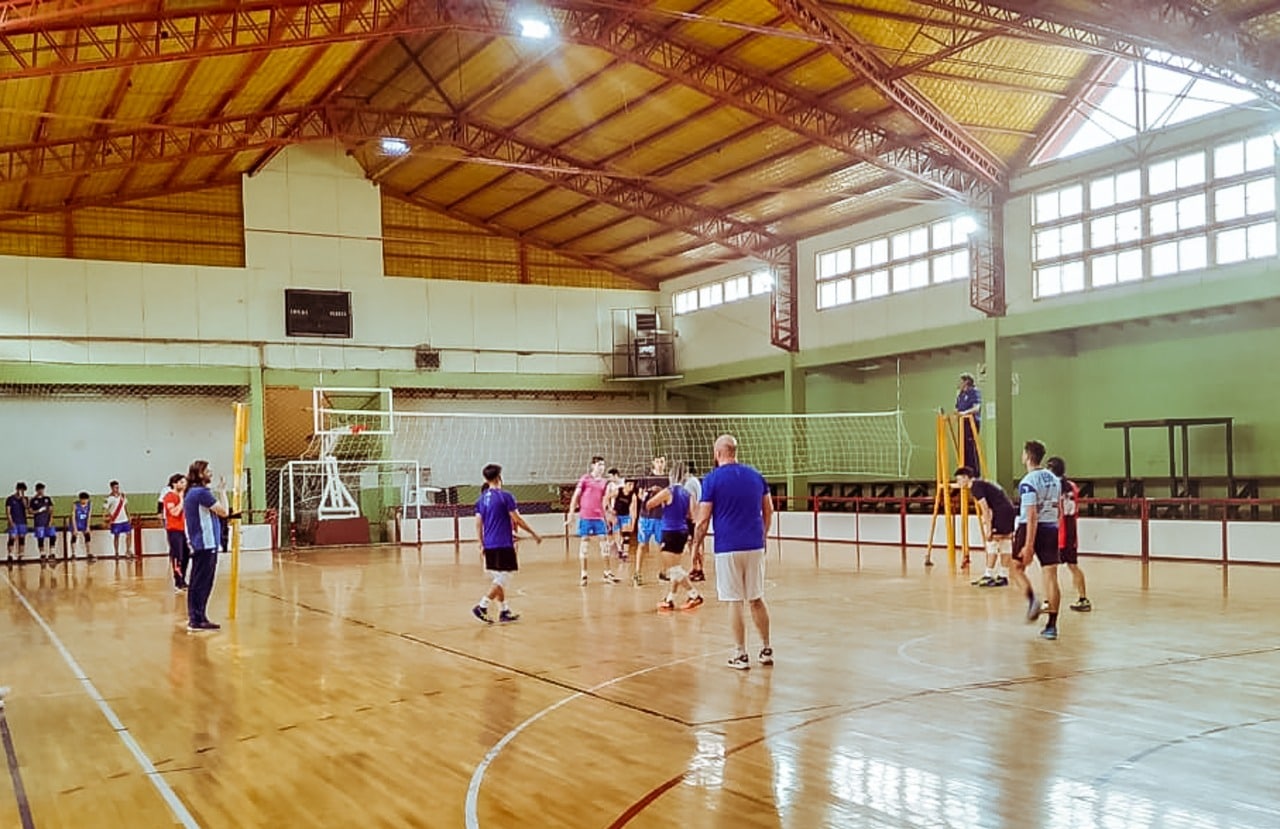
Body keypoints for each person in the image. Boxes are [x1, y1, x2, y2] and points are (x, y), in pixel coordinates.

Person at [693, 435, 773, 669]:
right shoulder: (756, 476)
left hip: (727, 548)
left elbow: (703, 519)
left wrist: (695, 547)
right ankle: (766, 648)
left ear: (718, 453)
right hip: (754, 545)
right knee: (756, 598)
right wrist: (764, 535)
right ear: (734, 451)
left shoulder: (712, 479)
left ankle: (740, 654)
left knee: (734, 601)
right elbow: (768, 510)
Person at [472, 463, 542, 624]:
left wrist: (480, 543)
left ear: (485, 479)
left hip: (489, 544)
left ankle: (504, 611)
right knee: (504, 576)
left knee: (498, 578)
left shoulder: (481, 500)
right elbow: (516, 519)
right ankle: (482, 606)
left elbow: (478, 523)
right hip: (503, 544)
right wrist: (533, 533)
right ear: (499, 478)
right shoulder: (505, 496)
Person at [1012, 440, 1062, 640]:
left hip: (1030, 528)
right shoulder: (1054, 479)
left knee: (1015, 568)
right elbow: (1057, 507)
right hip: (1051, 527)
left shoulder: (1028, 481)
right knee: (1050, 576)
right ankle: (1052, 626)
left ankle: (1032, 600)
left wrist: (1029, 544)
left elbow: (1031, 514)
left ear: (1027, 456)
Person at [645, 463, 703, 612]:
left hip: (670, 531)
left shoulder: (668, 491)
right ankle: (669, 599)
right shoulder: (687, 493)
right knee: (675, 568)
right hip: (682, 531)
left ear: (671, 475)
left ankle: (694, 594)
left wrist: (656, 496)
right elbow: (692, 515)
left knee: (674, 569)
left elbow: (649, 505)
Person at [183, 461, 229, 632]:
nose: (210, 473)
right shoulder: (201, 493)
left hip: (200, 543)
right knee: (203, 582)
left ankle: (197, 617)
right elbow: (224, 511)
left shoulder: (191, 493)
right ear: (200, 474)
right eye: (207, 470)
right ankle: (197, 619)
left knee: (197, 582)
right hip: (206, 543)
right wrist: (223, 491)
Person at [953, 467, 1016, 587]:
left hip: (1001, 512)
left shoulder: (975, 487)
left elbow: (985, 508)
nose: (958, 483)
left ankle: (989, 575)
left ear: (966, 477)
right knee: (1005, 542)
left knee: (992, 541)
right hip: (1009, 509)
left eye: (959, 479)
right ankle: (1003, 575)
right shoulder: (982, 483)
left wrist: (988, 528)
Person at [1047, 456, 1090, 612]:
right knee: (1073, 566)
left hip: (1057, 533)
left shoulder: (1052, 486)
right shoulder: (1072, 486)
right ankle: (1083, 598)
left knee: (1050, 570)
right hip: (1071, 533)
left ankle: (1049, 600)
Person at [566, 456, 617, 585]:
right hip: (585, 516)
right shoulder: (585, 478)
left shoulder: (604, 482)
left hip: (599, 517)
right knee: (584, 543)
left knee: (604, 543)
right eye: (599, 465)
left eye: (603, 465)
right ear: (592, 466)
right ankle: (584, 574)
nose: (601, 467)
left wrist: (609, 512)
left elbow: (605, 499)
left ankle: (607, 573)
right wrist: (571, 513)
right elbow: (576, 496)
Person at [634, 456, 668, 586]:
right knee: (642, 545)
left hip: (661, 517)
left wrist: (660, 494)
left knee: (662, 546)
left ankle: (663, 572)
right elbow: (640, 495)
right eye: (658, 461)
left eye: (662, 461)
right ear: (653, 463)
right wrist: (649, 493)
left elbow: (669, 497)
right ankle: (637, 573)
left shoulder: (667, 480)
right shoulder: (646, 478)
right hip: (646, 517)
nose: (660, 464)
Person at [163, 473, 191, 591]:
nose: (184, 485)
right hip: (174, 530)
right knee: (177, 556)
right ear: (175, 484)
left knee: (186, 554)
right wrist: (181, 500)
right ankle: (177, 582)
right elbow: (174, 512)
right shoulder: (169, 496)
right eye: (181, 482)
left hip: (183, 529)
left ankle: (182, 579)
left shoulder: (185, 497)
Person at [604, 469, 636, 566]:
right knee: (616, 533)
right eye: (630, 485)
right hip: (616, 514)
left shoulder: (632, 495)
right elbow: (606, 497)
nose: (631, 487)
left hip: (625, 515)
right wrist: (609, 509)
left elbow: (633, 509)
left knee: (626, 534)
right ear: (626, 485)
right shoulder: (617, 490)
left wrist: (632, 523)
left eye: (632, 485)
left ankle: (625, 553)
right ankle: (620, 550)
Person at [956, 372, 983, 472]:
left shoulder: (974, 392)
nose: (959, 383)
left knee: (971, 448)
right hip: (962, 423)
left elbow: (976, 408)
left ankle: (975, 472)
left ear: (966, 381)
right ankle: (965, 471)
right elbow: (958, 409)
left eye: (961, 381)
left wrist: (964, 413)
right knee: (963, 448)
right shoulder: (960, 395)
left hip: (971, 423)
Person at [684, 463, 706, 582]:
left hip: (693, 517)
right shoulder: (696, 481)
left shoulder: (689, 483)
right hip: (698, 515)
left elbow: (692, 499)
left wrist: (692, 516)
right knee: (697, 543)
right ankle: (698, 569)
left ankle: (696, 569)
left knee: (694, 543)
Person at [104, 480, 131, 557]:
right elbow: (105, 509)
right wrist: (107, 519)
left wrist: (128, 516)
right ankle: (116, 552)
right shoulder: (109, 498)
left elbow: (125, 507)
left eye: (118, 487)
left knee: (128, 534)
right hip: (115, 521)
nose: (117, 489)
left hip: (124, 519)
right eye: (115, 487)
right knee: (116, 536)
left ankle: (128, 550)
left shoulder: (122, 496)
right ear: (111, 488)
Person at [29, 483, 55, 563]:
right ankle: (42, 554)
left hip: (47, 522)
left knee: (53, 536)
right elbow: (30, 511)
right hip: (39, 522)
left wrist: (50, 521)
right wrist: (38, 511)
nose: (41, 491)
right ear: (36, 490)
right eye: (39, 489)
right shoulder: (33, 500)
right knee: (40, 539)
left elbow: (51, 510)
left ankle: (52, 553)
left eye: (42, 489)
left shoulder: (47, 498)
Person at [6, 482, 29, 563]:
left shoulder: (25, 499)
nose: (21, 491)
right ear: (17, 489)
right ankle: (10, 555)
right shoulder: (10, 499)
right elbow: (8, 511)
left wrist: (23, 499)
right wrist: (11, 521)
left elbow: (27, 508)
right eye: (20, 489)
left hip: (22, 522)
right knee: (12, 538)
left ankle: (21, 556)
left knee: (22, 539)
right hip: (14, 521)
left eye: (23, 490)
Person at [69, 491, 94, 561]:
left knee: (87, 536)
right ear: (80, 499)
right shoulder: (75, 505)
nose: (85, 501)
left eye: (86, 499)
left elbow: (89, 515)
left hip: (84, 523)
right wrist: (75, 528)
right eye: (83, 499)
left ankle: (89, 553)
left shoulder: (89, 504)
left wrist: (88, 526)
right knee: (74, 536)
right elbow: (73, 516)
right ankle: (73, 554)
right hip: (76, 522)